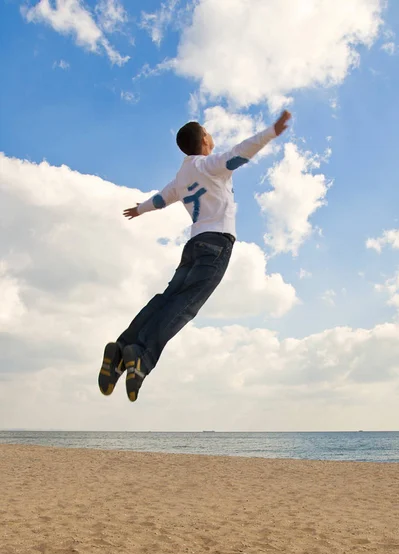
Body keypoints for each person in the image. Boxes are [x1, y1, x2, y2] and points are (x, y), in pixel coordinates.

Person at [98, 110, 291, 402]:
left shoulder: (183, 174)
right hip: (216, 245)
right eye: (209, 133)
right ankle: (142, 358)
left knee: (167, 299)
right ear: (204, 139)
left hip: (194, 246)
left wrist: (140, 209)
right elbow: (240, 154)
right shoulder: (209, 165)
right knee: (184, 307)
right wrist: (270, 132)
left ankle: (122, 348)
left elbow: (163, 198)